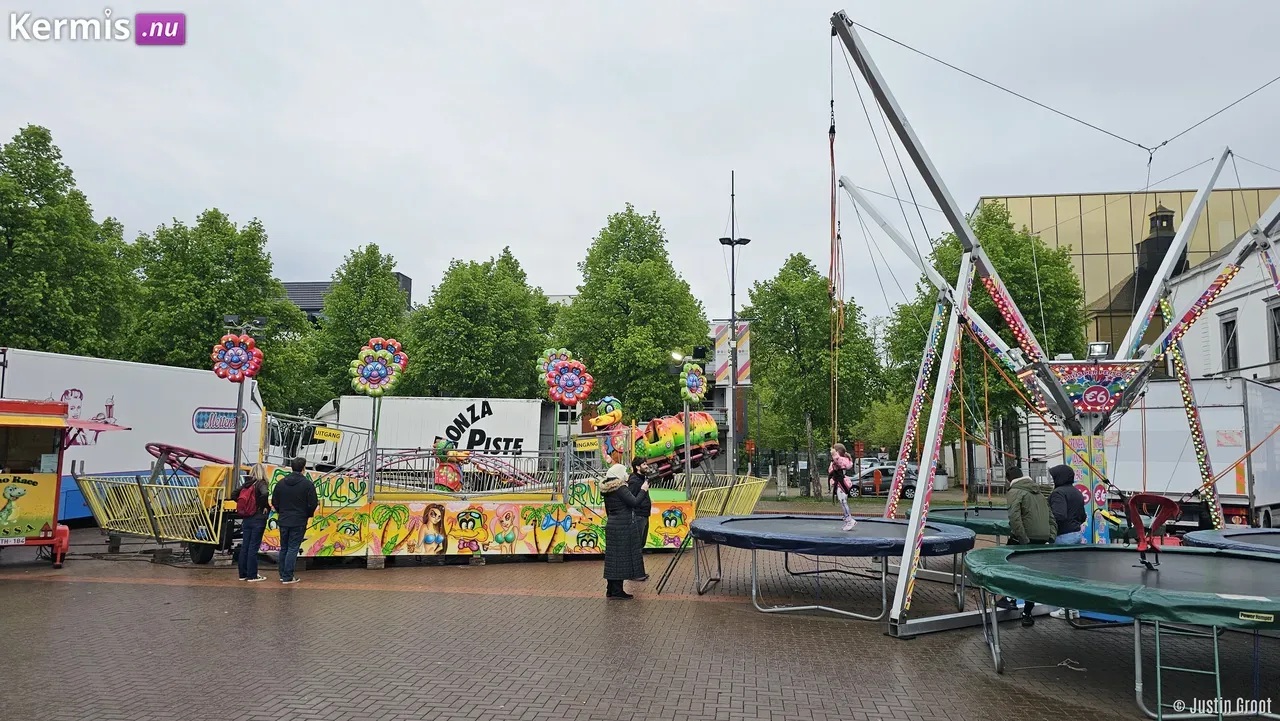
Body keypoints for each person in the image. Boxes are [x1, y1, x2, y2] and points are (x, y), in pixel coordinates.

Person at [1000, 465, 1058, 626]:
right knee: (1033, 576)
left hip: (1025, 539)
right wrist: (1051, 537)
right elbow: (1051, 517)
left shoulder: (1015, 492)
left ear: (1008, 479)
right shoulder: (1038, 492)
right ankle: (1027, 613)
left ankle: (1010, 598)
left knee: (1008, 568)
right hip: (1042, 539)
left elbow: (1015, 518)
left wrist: (1023, 539)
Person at [270, 456, 318, 585]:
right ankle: (288, 576)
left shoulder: (281, 483)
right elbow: (313, 503)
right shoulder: (307, 484)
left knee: (284, 547)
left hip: (284, 518)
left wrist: (281, 511)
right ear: (303, 468)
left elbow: (275, 501)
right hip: (299, 519)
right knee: (293, 548)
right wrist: (307, 514)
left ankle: (282, 574)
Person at [601, 463, 646, 599]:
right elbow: (634, 502)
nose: (626, 475)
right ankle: (617, 591)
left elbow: (608, 509)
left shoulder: (607, 489)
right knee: (621, 559)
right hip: (623, 526)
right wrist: (643, 490)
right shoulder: (620, 488)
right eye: (624, 472)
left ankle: (611, 589)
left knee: (613, 560)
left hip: (612, 525)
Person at [236, 463, 272, 582]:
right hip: (258, 518)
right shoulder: (262, 483)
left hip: (246, 518)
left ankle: (242, 574)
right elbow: (265, 493)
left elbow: (234, 494)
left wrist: (245, 506)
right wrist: (263, 506)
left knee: (245, 546)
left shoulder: (247, 484)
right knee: (253, 547)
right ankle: (252, 575)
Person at [627, 458, 652, 582]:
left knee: (641, 543)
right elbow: (632, 499)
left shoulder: (642, 479)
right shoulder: (634, 481)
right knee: (637, 544)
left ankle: (638, 572)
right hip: (639, 515)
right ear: (637, 467)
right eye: (644, 464)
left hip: (644, 514)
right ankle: (635, 573)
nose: (646, 466)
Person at [1049, 464, 1087, 545]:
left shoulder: (1058, 493)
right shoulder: (1077, 492)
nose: (1052, 480)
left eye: (1054, 477)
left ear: (1059, 477)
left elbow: (1059, 515)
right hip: (1077, 534)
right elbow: (1083, 516)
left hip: (1062, 536)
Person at [829, 443, 857, 531]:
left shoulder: (841, 460)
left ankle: (849, 520)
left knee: (843, 501)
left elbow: (838, 461)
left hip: (842, 482)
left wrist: (834, 454)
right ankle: (847, 518)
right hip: (839, 482)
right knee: (842, 501)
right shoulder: (839, 460)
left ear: (838, 452)